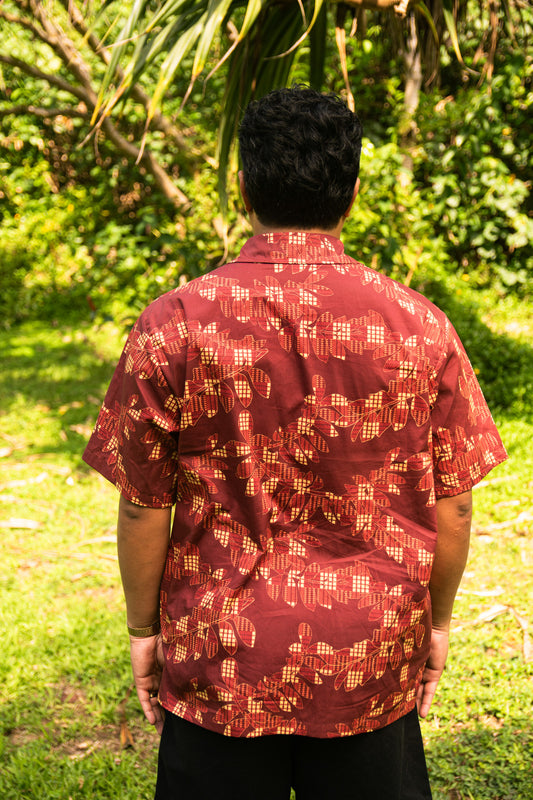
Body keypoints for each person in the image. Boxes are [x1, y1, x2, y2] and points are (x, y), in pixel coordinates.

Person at [83, 87, 507, 799]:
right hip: (367, 662)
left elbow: (142, 506)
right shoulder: (419, 325)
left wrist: (142, 629)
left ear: (243, 184)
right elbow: (454, 507)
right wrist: (433, 626)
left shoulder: (174, 322)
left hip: (219, 660)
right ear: (353, 191)